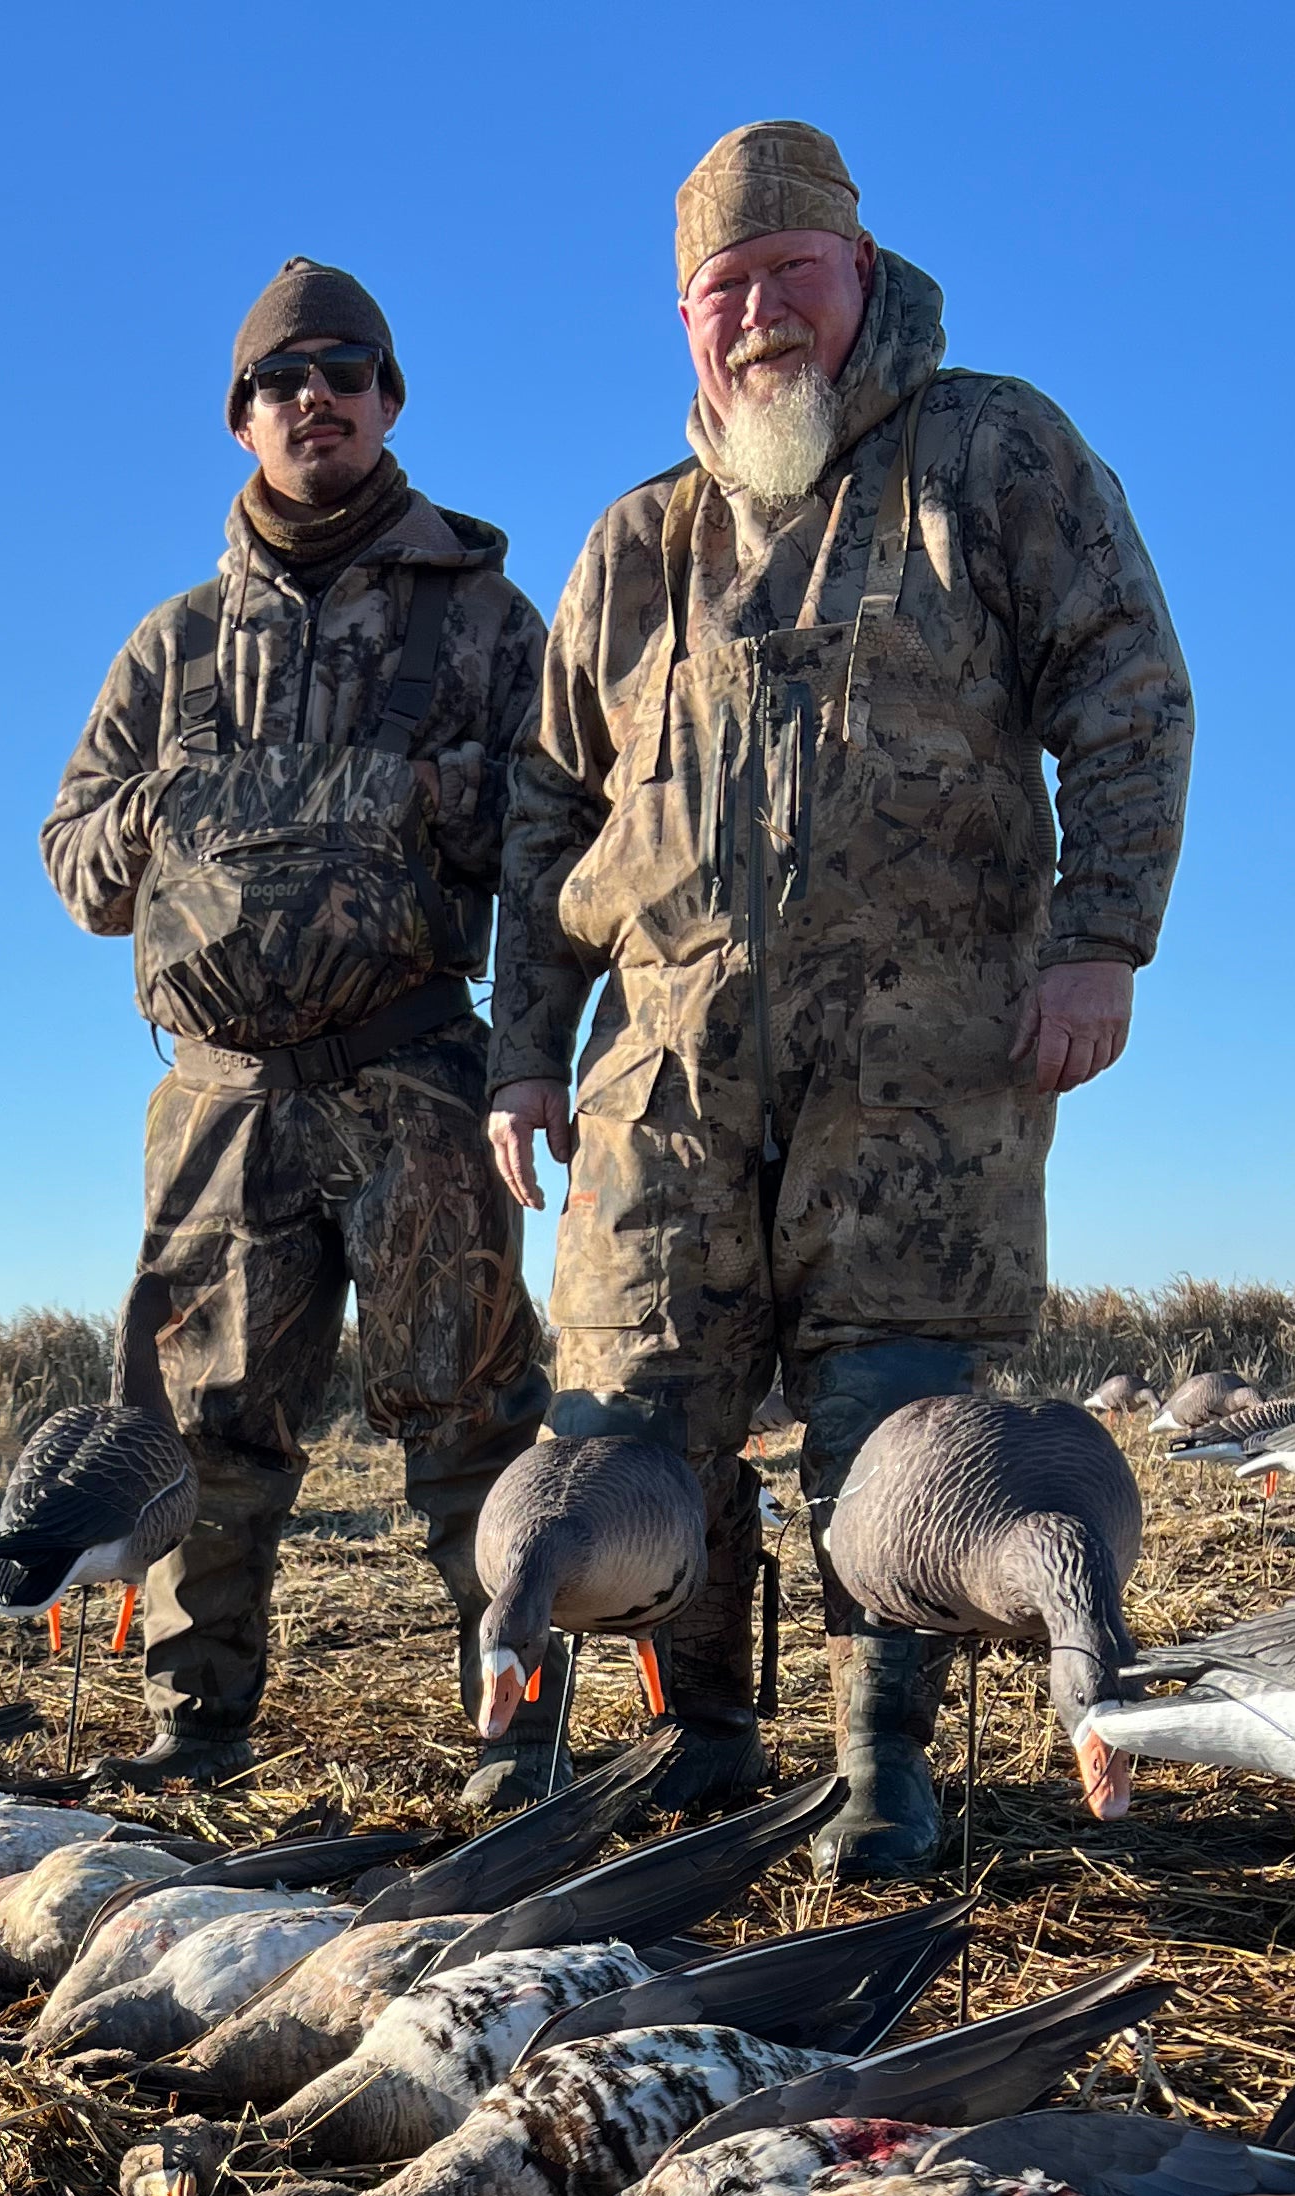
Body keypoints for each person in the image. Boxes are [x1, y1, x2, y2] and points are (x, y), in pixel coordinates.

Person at [487, 123, 1191, 1871]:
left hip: (924, 1060)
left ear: (861, 275)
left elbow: (1126, 683)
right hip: (662, 1067)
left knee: (901, 1430)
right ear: (684, 322)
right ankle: (699, 1739)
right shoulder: (636, 544)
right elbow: (545, 818)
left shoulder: (992, 453)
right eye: (721, 293)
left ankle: (887, 1768)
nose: (758, 319)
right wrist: (520, 1056)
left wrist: (1100, 935)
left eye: (789, 277)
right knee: (638, 1411)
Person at [44, 260, 553, 1797]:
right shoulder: (168, 648)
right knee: (202, 1430)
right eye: (282, 379)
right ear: (241, 419)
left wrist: (531, 1045)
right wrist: (181, 807)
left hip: (413, 1073)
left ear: (390, 398)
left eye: (345, 369)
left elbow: (555, 849)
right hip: (216, 1102)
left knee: (465, 1410)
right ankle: (195, 1725)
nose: (313, 397)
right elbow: (73, 864)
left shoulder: (487, 622)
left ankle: (517, 1727)